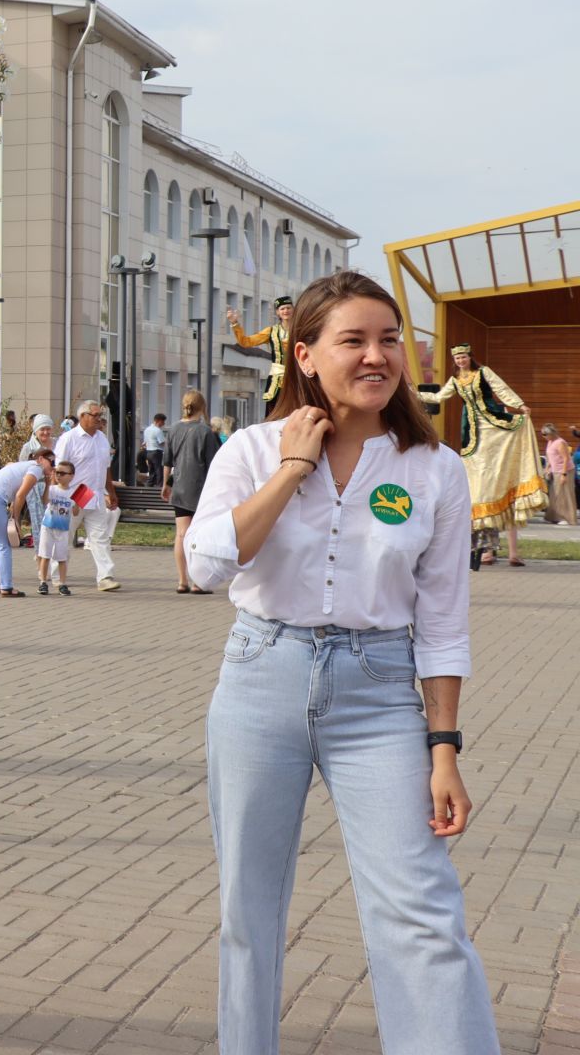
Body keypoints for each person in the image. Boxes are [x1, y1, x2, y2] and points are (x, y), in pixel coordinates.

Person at [187, 269, 499, 1053]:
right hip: (262, 679)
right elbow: (206, 565)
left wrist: (445, 748)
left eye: (390, 339)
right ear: (304, 356)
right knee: (247, 912)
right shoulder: (253, 450)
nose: (376, 356)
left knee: (423, 913)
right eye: (353, 340)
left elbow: (444, 622)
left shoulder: (433, 470)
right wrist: (293, 468)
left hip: (382, 692)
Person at [418, 345, 546, 566]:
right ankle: (486, 549)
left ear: (470, 357)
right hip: (472, 432)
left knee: (494, 470)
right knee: (478, 480)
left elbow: (501, 388)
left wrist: (519, 404)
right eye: (457, 358)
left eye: (463, 357)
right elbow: (439, 397)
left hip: (493, 424)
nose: (460, 361)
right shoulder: (455, 380)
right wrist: (414, 393)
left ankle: (497, 548)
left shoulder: (483, 372)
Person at [160, 387, 220, 595]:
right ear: (202, 407)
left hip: (179, 487)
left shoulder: (173, 429)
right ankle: (199, 582)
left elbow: (167, 460)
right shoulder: (205, 432)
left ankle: (181, 580)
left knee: (181, 535)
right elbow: (214, 463)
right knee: (201, 536)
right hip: (201, 489)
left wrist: (165, 484)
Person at [0, 449, 55, 597]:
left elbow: (39, 499)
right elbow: (20, 495)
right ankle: (6, 587)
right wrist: (15, 520)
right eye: (52, 462)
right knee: (4, 544)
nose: (54, 467)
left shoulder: (26, 466)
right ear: (42, 459)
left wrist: (49, 481)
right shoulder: (36, 468)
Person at [61, 400, 123, 591]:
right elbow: (59, 469)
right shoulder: (69, 438)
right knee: (65, 535)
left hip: (95, 494)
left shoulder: (101, 439)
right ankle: (54, 574)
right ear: (82, 417)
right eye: (95, 415)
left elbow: (106, 467)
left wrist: (111, 492)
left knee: (100, 537)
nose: (99, 419)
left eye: (100, 415)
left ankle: (105, 576)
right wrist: (61, 495)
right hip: (75, 494)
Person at [227, 295, 295, 412]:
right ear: (277, 313)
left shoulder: (301, 329)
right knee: (273, 414)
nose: (286, 311)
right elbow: (246, 342)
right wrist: (235, 324)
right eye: (282, 309)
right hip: (276, 380)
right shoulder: (271, 331)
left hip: (297, 377)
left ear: (293, 310)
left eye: (288, 308)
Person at [35, 462, 76, 595]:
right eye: (57, 472)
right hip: (48, 526)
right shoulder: (52, 489)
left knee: (62, 557)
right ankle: (43, 582)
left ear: (71, 476)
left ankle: (62, 583)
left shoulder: (73, 493)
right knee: (45, 555)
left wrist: (79, 503)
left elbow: (75, 512)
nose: (59, 476)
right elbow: (45, 500)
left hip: (63, 528)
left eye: (63, 473)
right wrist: (48, 483)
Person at [544, 424, 576, 526]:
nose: (543, 436)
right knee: (555, 494)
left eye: (545, 434)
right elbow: (550, 456)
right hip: (555, 471)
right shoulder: (550, 442)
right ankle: (553, 516)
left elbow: (566, 458)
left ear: (551, 433)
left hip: (564, 470)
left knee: (564, 494)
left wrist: (564, 474)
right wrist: (548, 468)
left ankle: (567, 518)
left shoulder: (560, 443)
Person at [141, 412, 168, 488]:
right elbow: (162, 442)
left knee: (151, 471)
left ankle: (148, 487)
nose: (163, 424)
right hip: (157, 452)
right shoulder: (158, 430)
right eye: (163, 422)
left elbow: (144, 443)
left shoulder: (146, 430)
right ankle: (160, 487)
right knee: (159, 471)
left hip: (148, 452)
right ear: (158, 420)